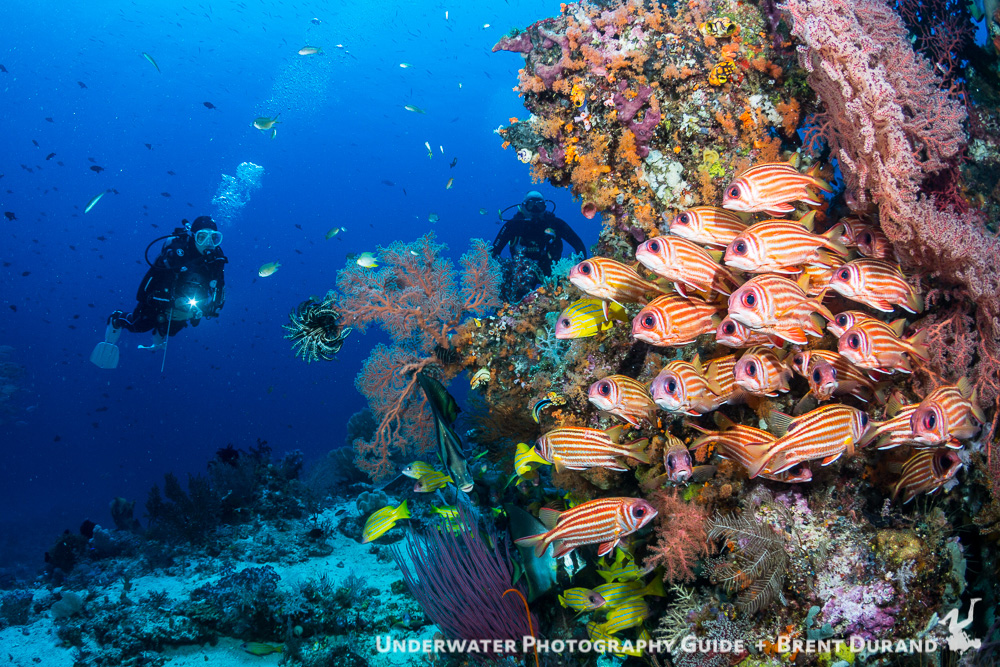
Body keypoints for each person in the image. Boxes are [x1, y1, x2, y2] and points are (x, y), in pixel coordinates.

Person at [91, 216, 227, 368]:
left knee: (172, 330)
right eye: (202, 237)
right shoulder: (175, 255)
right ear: (193, 236)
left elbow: (217, 301)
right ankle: (117, 319)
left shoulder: (216, 261)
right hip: (158, 299)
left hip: (186, 307)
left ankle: (161, 328)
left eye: (214, 238)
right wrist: (173, 303)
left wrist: (193, 313)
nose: (208, 243)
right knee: (139, 326)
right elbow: (148, 293)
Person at [492, 190, 587, 277]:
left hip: (552, 272)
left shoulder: (555, 224)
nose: (535, 209)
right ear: (523, 206)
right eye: (531, 204)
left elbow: (578, 244)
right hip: (522, 275)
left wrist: (582, 270)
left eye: (539, 205)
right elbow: (494, 251)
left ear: (545, 207)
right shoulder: (512, 226)